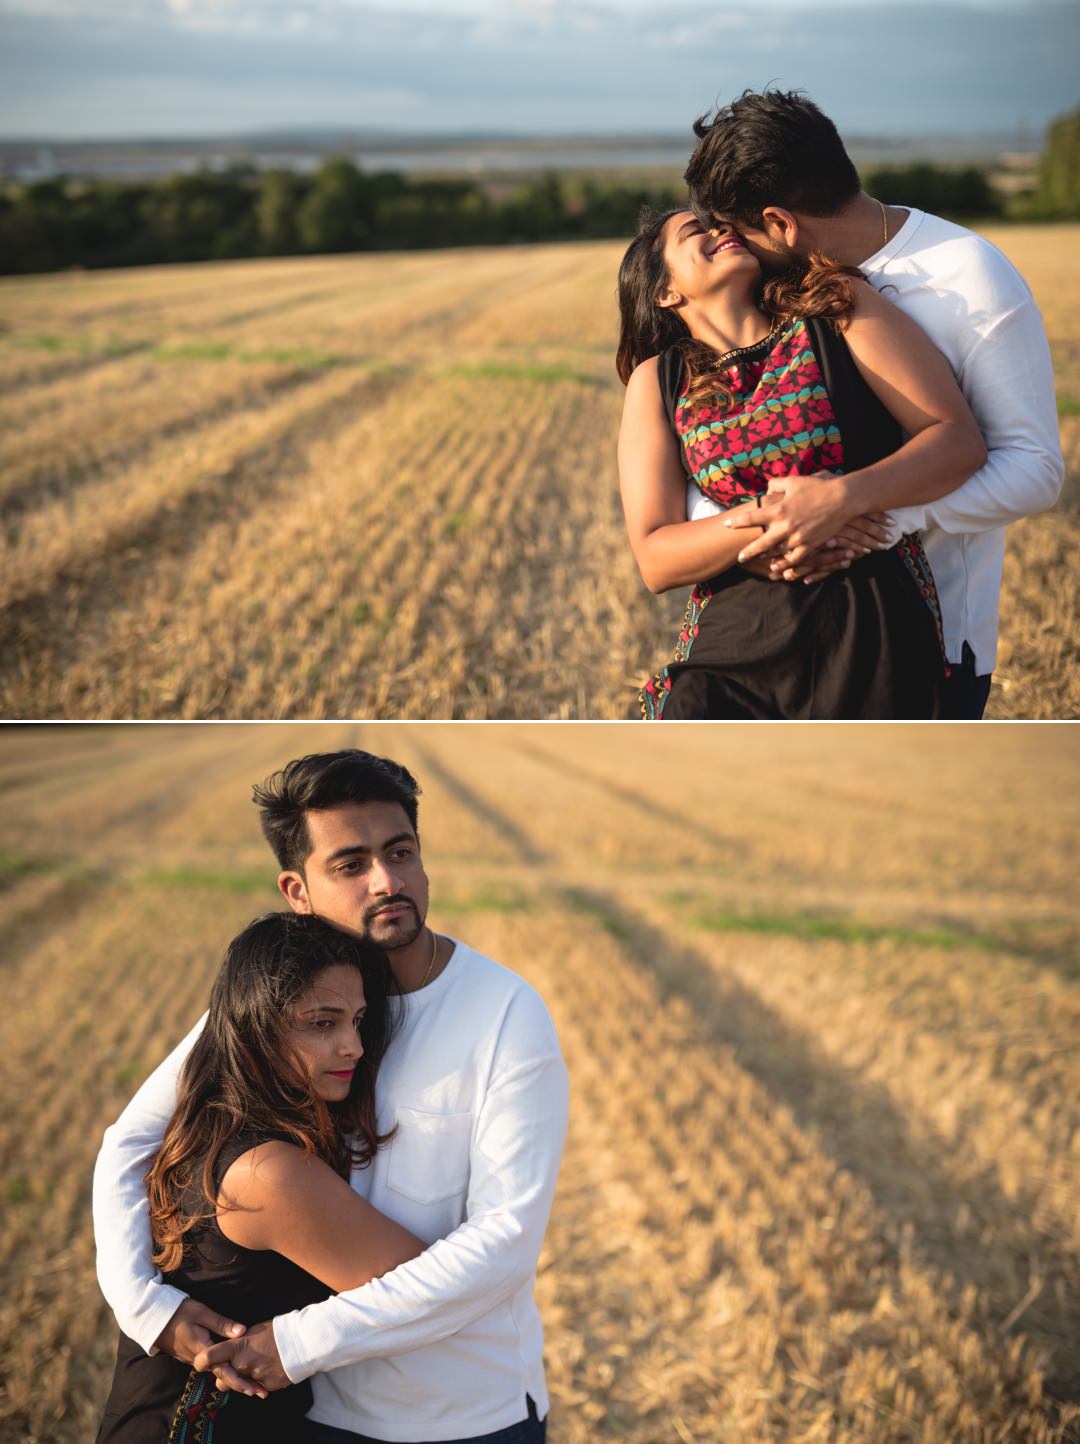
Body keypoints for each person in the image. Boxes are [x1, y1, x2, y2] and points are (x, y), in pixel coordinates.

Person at [93, 749, 569, 1444]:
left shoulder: (506, 1014)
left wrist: (302, 1342)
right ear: (297, 892)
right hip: (309, 1414)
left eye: (400, 851)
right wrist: (145, 1308)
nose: (387, 880)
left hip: (459, 1415)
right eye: (350, 865)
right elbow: (129, 1141)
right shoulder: (285, 1002)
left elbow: (504, 1245)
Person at [682, 87, 1065, 719]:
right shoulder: (777, 282)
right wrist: (764, 523)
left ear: (781, 222)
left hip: (930, 639)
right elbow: (714, 429)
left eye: (742, 233)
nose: (735, 250)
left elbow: (1034, 471)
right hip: (780, 640)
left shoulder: (971, 279)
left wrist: (862, 513)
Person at [617, 205, 988, 718]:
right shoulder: (660, 381)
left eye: (719, 222)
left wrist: (842, 498)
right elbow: (655, 557)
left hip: (866, 618)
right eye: (694, 231)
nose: (720, 230)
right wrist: (774, 523)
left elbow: (955, 441)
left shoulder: (837, 308)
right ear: (665, 291)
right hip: (733, 637)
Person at [96, 912, 424, 1443]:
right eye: (323, 1023)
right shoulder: (267, 1174)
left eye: (357, 1020)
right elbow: (426, 1292)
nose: (355, 1047)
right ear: (256, 1032)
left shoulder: (210, 1121)